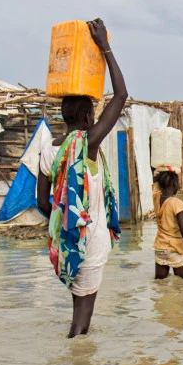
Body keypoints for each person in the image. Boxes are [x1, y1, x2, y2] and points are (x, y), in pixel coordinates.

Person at [36, 19, 127, 338]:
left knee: (80, 310)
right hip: (89, 242)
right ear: (89, 119)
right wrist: (105, 47)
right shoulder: (87, 144)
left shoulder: (49, 150)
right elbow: (121, 95)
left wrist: (65, 225)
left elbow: (41, 201)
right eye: (93, 116)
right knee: (81, 321)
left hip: (68, 244)